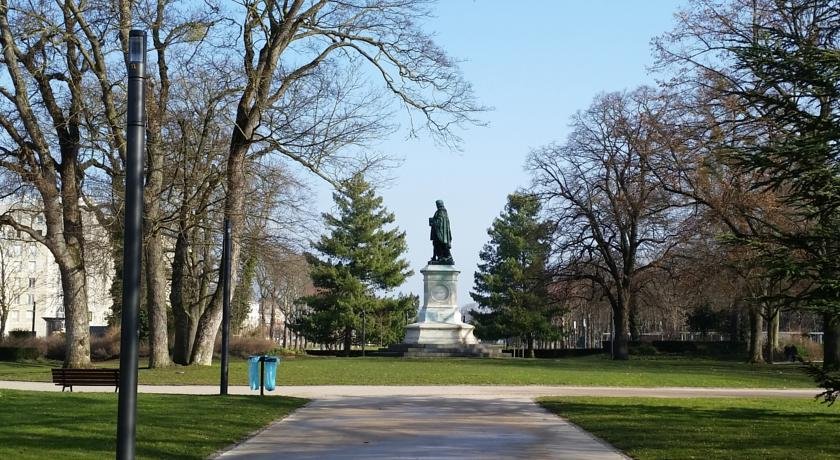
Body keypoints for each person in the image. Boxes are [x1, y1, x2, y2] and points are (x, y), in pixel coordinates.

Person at [429, 200, 453, 264]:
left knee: (441, 244)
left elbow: (440, 222)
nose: (437, 206)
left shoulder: (441, 212)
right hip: (437, 233)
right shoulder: (439, 212)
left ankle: (445, 257)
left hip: (441, 233)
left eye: (437, 204)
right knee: (436, 244)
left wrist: (433, 222)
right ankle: (439, 257)